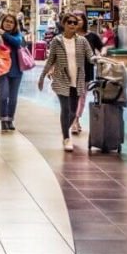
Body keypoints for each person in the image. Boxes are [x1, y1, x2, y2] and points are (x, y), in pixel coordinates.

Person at [39, 14, 92, 152]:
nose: (73, 25)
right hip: (62, 79)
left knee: (74, 112)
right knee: (66, 109)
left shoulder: (82, 41)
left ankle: (64, 131)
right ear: (63, 24)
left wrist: (101, 60)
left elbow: (90, 57)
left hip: (78, 79)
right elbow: (50, 60)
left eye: (75, 22)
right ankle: (66, 138)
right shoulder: (57, 41)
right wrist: (42, 76)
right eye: (69, 22)